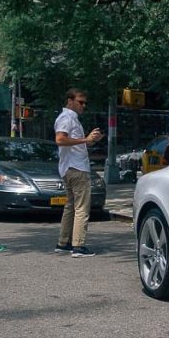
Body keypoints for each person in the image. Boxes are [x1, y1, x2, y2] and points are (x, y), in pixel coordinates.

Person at [54, 89, 104, 257]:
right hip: (77, 169)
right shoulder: (67, 118)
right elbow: (60, 140)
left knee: (70, 206)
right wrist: (86, 140)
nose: (84, 105)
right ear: (70, 101)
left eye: (84, 102)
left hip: (69, 168)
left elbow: (74, 144)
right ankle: (78, 246)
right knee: (82, 207)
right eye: (80, 102)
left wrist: (90, 140)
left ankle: (63, 242)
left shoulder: (70, 118)